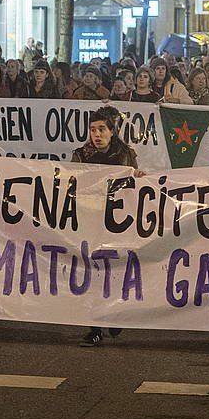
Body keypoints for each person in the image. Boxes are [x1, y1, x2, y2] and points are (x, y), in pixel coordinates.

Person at [70, 106, 138, 347]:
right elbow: (73, 186)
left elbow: (132, 188)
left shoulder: (126, 154)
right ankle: (95, 328)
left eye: (101, 129)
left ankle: (116, 312)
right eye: (92, 130)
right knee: (92, 273)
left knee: (115, 270)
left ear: (112, 132)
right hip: (89, 220)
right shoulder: (80, 155)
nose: (96, 134)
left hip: (117, 223)